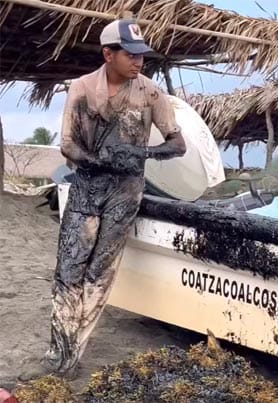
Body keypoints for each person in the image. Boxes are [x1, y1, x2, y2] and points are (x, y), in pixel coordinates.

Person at [19, 19, 187, 381]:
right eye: (130, 55)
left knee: (100, 272)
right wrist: (95, 160)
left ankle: (72, 352)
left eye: (142, 56)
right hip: (85, 188)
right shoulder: (81, 89)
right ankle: (58, 349)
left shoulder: (151, 93)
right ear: (108, 54)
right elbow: (67, 144)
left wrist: (144, 152)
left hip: (125, 192)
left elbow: (177, 143)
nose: (138, 62)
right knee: (69, 269)